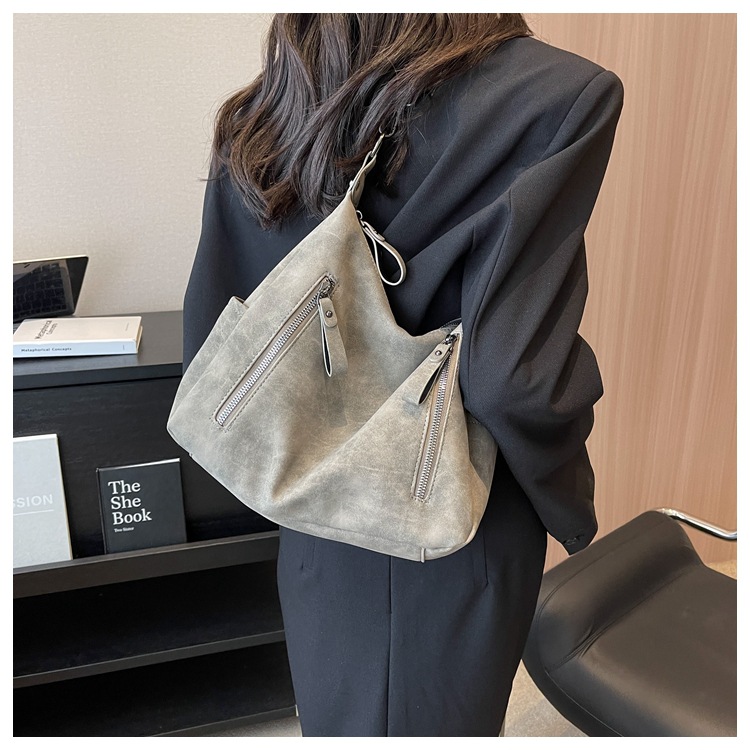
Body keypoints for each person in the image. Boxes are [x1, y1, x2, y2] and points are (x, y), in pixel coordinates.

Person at [182, 13, 624, 737]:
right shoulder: (559, 94)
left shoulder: (269, 105)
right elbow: (514, 378)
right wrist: (570, 493)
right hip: (458, 520)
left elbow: (214, 338)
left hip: (317, 502)